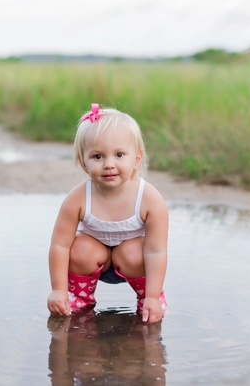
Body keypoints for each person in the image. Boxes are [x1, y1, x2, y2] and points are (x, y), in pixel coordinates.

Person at [47, 103, 168, 324]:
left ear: (137, 159)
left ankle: (146, 300)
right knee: (80, 246)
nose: (109, 165)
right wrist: (58, 290)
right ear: (84, 163)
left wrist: (152, 296)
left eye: (119, 154)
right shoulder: (78, 197)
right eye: (98, 156)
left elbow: (156, 251)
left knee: (134, 251)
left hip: (133, 262)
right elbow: (60, 245)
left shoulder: (149, 199)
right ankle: (79, 299)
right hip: (91, 262)